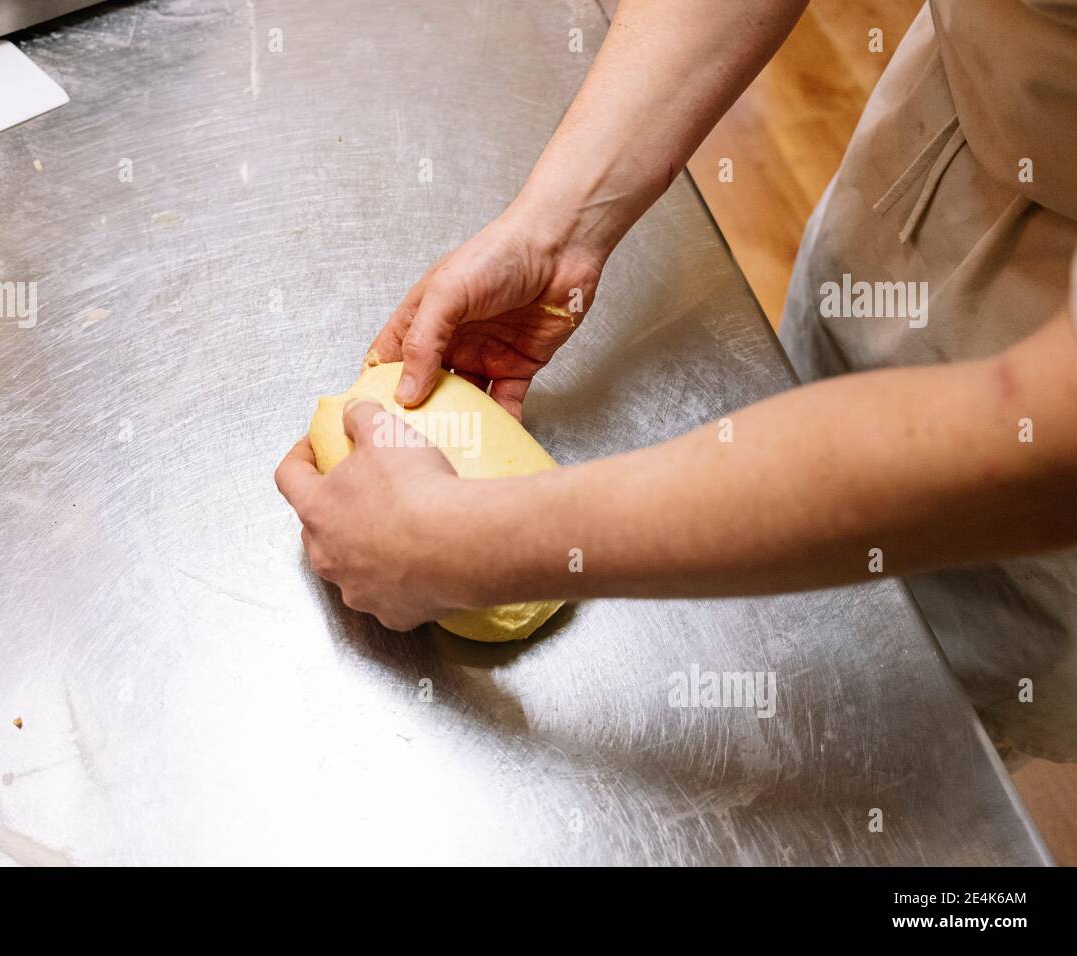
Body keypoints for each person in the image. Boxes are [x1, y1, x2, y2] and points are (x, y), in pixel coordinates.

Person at [275, 0, 1077, 764]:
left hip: (1027, 450)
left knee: (914, 730)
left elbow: (1050, 447)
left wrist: (465, 544)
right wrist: (561, 227)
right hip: (931, 183)